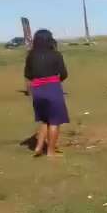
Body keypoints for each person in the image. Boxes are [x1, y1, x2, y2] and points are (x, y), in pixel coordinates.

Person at [24, 29, 69, 157]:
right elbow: (64, 74)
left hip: (37, 90)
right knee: (55, 121)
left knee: (45, 120)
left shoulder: (31, 56)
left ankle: (38, 148)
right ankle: (50, 152)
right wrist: (54, 81)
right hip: (53, 89)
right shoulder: (56, 55)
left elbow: (28, 75)